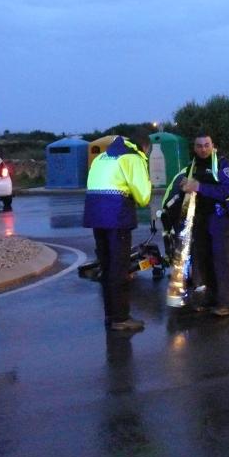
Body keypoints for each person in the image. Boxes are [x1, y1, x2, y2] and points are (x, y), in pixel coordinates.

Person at [83, 134, 152, 333]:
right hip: (116, 216)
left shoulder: (102, 157)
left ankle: (110, 315)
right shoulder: (133, 158)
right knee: (119, 268)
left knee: (106, 266)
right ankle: (121, 318)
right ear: (145, 147)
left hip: (95, 216)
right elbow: (143, 196)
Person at [180, 131, 229, 316]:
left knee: (221, 260)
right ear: (194, 147)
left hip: (220, 217)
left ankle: (225, 303)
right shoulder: (192, 165)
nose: (203, 149)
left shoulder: (222, 163)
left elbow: (225, 190)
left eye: (206, 145)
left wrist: (198, 186)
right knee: (204, 260)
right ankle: (211, 297)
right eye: (199, 145)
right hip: (200, 218)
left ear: (212, 145)